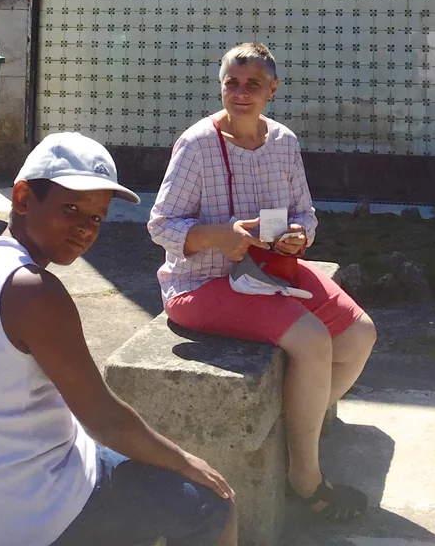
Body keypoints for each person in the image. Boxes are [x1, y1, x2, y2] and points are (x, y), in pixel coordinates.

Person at [0, 132, 236, 546]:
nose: (85, 228)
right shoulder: (33, 291)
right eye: (71, 208)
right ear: (23, 198)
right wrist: (187, 463)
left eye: (97, 217)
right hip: (27, 516)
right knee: (213, 502)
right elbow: (106, 421)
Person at [148, 43, 377, 523]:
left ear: (273, 89)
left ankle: (295, 431)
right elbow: (160, 225)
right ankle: (306, 481)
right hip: (201, 283)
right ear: (221, 86)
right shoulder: (196, 145)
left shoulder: (283, 142)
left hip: (270, 271)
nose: (241, 93)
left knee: (359, 334)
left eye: (253, 84)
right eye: (232, 83)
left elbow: (305, 213)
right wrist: (220, 236)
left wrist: (299, 236)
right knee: (312, 339)